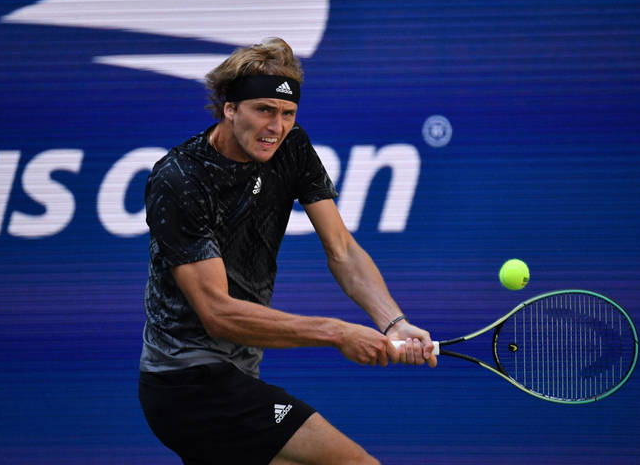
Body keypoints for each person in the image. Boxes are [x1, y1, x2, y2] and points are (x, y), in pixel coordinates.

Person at [138, 38, 436, 465]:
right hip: (190, 382)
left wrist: (393, 321)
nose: (276, 126)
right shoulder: (181, 178)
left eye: (287, 113)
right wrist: (337, 332)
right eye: (264, 110)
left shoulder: (291, 147)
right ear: (229, 108)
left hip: (235, 374)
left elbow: (343, 250)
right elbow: (218, 313)